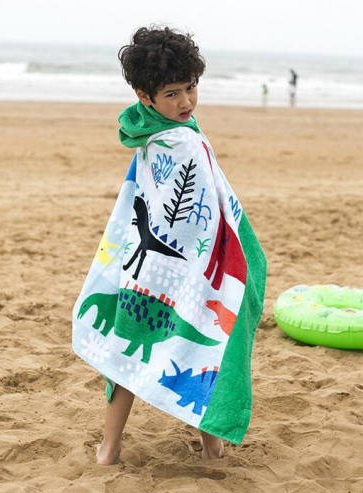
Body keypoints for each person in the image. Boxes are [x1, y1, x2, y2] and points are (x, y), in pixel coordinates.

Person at [72, 26, 267, 466]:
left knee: (130, 347)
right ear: (145, 96)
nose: (186, 102)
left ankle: (116, 448)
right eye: (172, 94)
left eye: (191, 88)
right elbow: (195, 210)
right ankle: (206, 445)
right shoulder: (181, 140)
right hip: (178, 269)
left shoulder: (153, 131)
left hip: (141, 272)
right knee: (206, 349)